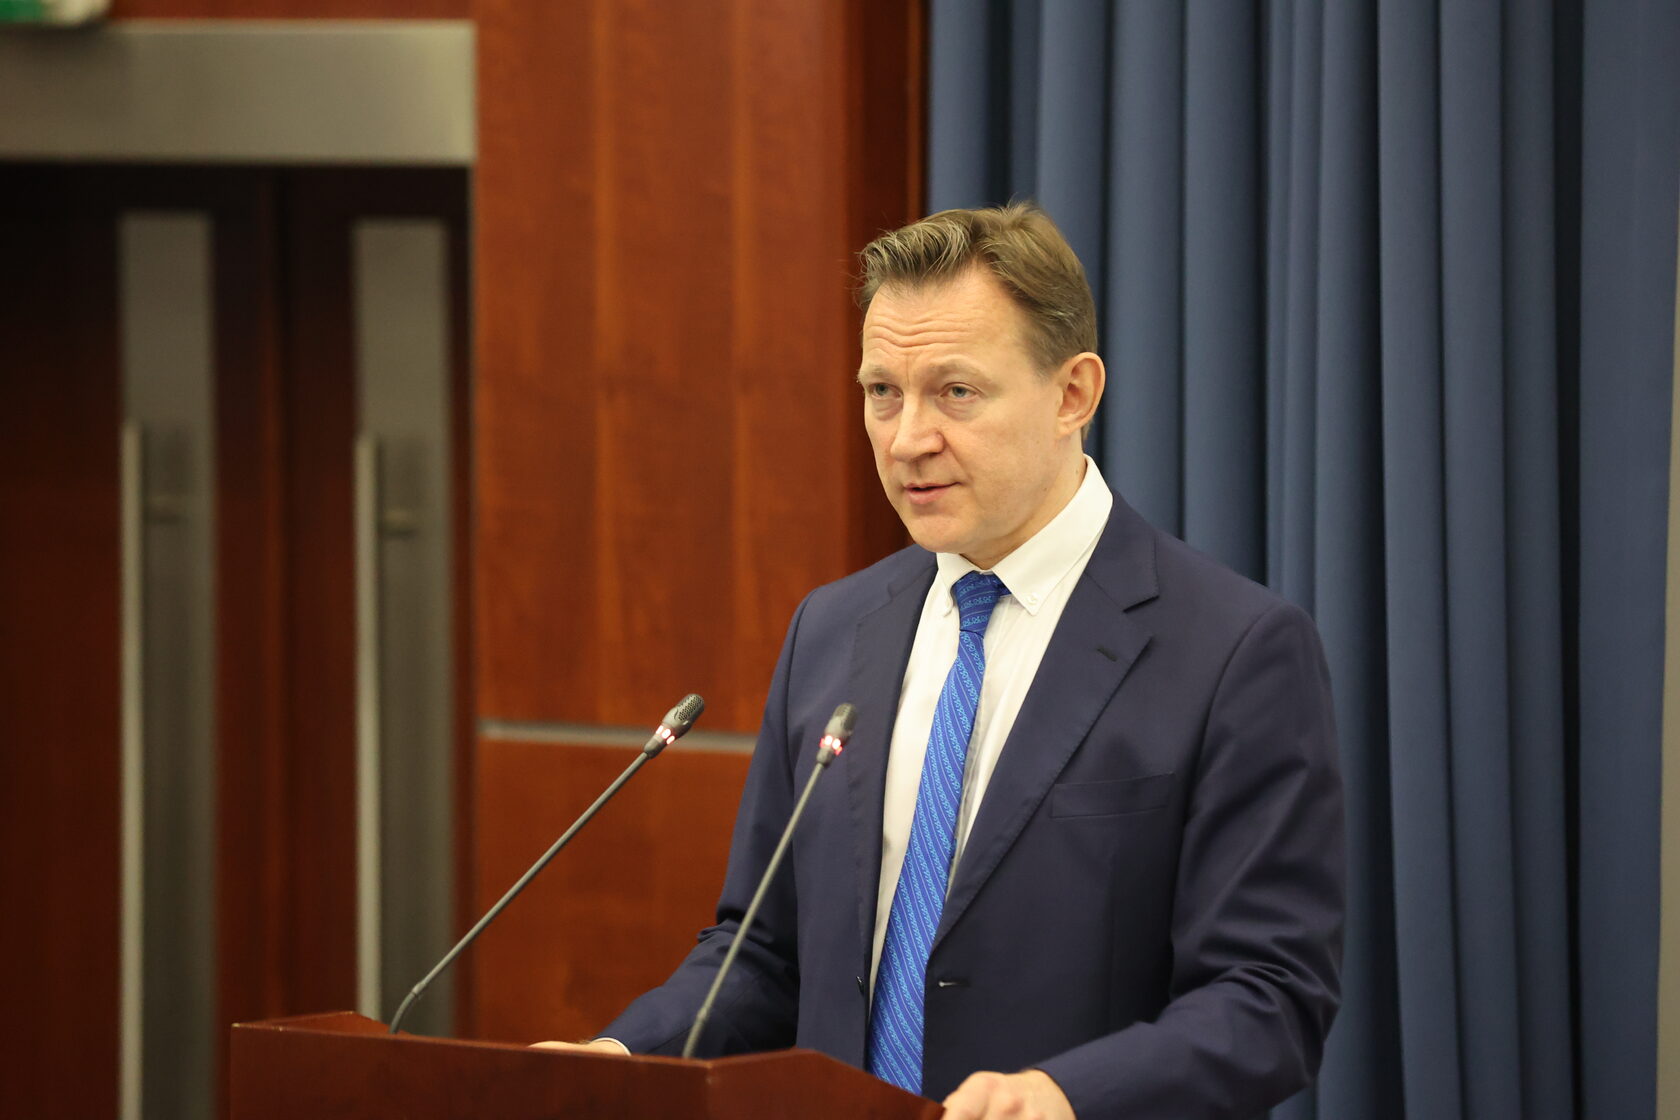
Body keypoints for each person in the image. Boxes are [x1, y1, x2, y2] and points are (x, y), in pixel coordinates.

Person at [537, 203, 1345, 1120]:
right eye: (883, 391)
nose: (906, 438)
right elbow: (765, 952)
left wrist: (1065, 1095)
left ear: (1073, 394)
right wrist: (620, 1057)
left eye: (956, 392)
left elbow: (1268, 997)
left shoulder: (1234, 650)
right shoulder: (831, 630)